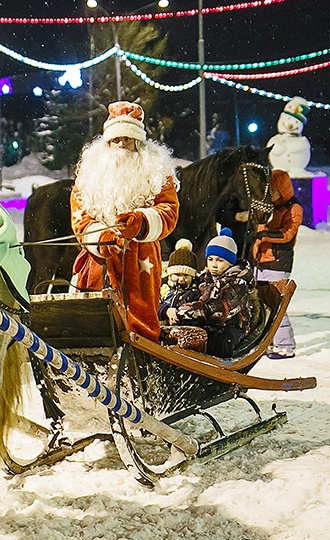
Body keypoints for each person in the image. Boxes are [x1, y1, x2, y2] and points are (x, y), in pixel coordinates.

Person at [70, 100, 180, 341]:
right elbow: (80, 220)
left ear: (138, 142)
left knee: (140, 323)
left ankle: (144, 363)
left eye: (127, 140)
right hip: (99, 263)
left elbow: (169, 211)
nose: (121, 145)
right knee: (94, 326)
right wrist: (100, 237)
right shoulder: (89, 175)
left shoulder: (158, 173)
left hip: (140, 261)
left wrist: (141, 222)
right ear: (106, 142)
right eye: (115, 140)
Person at [164, 229, 265, 358]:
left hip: (232, 328)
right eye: (210, 259)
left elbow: (217, 310)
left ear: (230, 262)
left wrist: (179, 312)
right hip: (211, 324)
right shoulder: (207, 278)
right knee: (182, 332)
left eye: (219, 260)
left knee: (218, 339)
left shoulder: (237, 282)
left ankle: (206, 366)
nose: (214, 265)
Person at [252, 170, 302, 360]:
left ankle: (286, 346)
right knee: (261, 306)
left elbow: (288, 233)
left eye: (272, 190)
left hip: (278, 262)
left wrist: (264, 235)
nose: (269, 194)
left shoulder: (293, 207)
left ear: (281, 189)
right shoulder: (267, 207)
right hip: (261, 261)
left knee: (277, 306)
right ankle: (268, 343)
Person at [158, 238, 198, 324]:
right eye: (177, 275)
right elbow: (152, 306)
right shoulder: (161, 287)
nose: (181, 279)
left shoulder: (196, 292)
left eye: (186, 275)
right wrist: (166, 310)